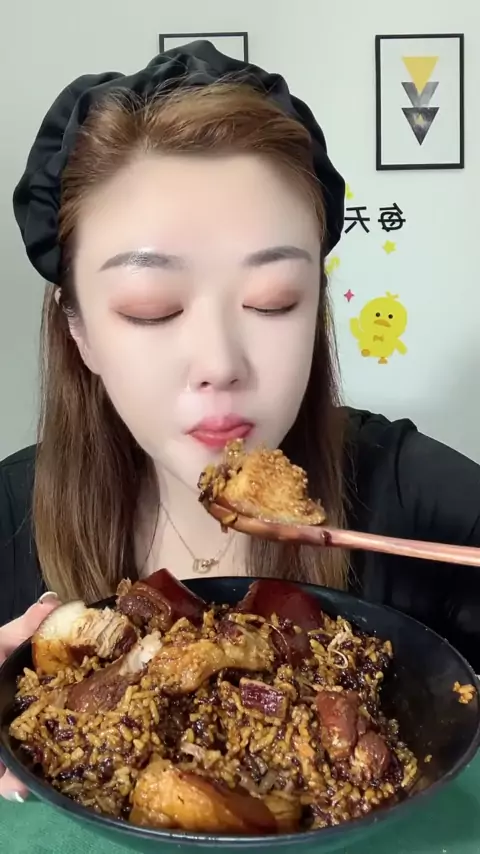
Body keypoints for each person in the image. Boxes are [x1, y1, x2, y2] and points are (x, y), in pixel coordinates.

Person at [1, 41, 479, 802]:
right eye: (150, 310)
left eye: (274, 301)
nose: (220, 362)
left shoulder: (419, 494)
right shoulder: (8, 514)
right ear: (78, 330)